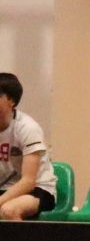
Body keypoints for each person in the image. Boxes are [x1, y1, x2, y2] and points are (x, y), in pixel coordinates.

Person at [0, 74, 59, 222]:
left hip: (38, 189)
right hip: (5, 187)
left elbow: (28, 181)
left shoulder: (27, 128)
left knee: (9, 210)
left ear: (12, 101)